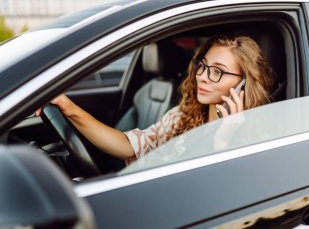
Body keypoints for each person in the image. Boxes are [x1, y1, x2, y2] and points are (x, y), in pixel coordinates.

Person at [42, 34, 273, 164]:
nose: (202, 77)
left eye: (217, 71)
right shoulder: (183, 116)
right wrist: (70, 109)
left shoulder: (260, 138)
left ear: (244, 83)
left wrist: (224, 141)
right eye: (202, 66)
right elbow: (127, 145)